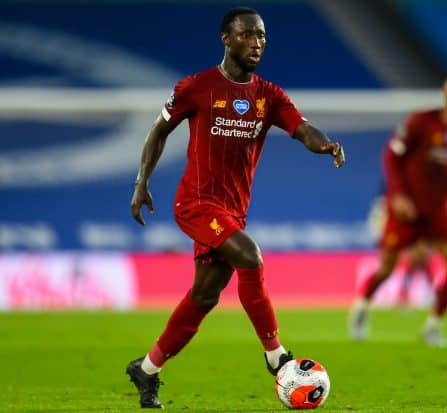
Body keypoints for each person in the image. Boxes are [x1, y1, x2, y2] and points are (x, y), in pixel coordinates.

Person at [125, 7, 345, 408]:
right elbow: (159, 131)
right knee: (251, 257)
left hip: (231, 211)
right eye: (247, 35)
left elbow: (302, 128)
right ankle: (276, 355)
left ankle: (148, 369)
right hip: (194, 202)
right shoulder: (197, 86)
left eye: (261, 36)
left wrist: (325, 143)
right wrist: (142, 182)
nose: (256, 43)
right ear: (226, 39)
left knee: (204, 296)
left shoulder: (270, 96)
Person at [349, 69, 447, 347]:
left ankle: (433, 325)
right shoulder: (421, 121)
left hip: (440, 209)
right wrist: (396, 195)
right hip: (406, 206)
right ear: (446, 91)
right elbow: (391, 156)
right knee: (387, 267)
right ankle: (361, 307)